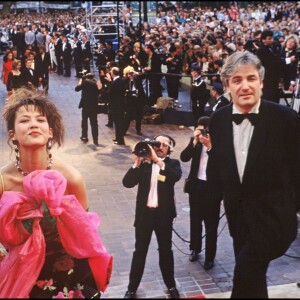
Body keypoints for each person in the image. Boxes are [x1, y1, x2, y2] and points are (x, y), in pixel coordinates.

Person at [0, 88, 113, 298]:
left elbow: (86, 236)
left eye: (40, 119)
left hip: (68, 279)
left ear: (50, 131)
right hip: (19, 279)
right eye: (24, 120)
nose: (33, 124)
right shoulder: (3, 182)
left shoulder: (71, 179)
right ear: (12, 134)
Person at [207, 51, 300, 298]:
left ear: (261, 82)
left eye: (250, 78)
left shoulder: (286, 119)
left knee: (245, 272)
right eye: (237, 80)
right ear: (227, 86)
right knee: (253, 279)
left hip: (275, 220)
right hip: (240, 220)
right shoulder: (218, 120)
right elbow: (219, 168)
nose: (245, 86)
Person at [123, 134, 182, 299]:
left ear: (170, 148)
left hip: (164, 216)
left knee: (165, 251)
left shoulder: (172, 164)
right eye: (158, 143)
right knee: (139, 252)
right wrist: (137, 162)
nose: (160, 147)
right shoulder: (144, 164)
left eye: (165, 144)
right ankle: (131, 289)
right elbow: (127, 183)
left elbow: (174, 177)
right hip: (144, 216)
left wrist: (156, 160)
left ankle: (171, 286)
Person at [180, 116, 221, 269]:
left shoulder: (218, 142)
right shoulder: (196, 142)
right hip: (196, 186)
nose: (203, 132)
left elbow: (222, 162)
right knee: (195, 220)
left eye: (205, 129)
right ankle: (194, 248)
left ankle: (210, 256)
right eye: (200, 128)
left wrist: (210, 146)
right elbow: (184, 158)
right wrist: (194, 142)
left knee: (211, 224)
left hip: (212, 189)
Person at [75, 72, 102, 146]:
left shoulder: (85, 82)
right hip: (94, 106)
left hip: (85, 106)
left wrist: (80, 81)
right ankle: (95, 139)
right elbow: (100, 92)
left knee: (84, 122)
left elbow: (76, 89)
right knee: (94, 123)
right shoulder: (96, 83)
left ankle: (84, 136)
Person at [256, 30, 282, 103]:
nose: (272, 40)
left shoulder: (271, 48)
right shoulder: (261, 50)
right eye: (269, 39)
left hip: (273, 79)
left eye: (272, 38)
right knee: (269, 99)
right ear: (263, 40)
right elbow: (270, 63)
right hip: (268, 80)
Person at [123, 66, 147, 136]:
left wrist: (135, 73)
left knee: (139, 116)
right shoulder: (125, 80)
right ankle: (124, 130)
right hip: (130, 101)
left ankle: (138, 130)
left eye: (131, 74)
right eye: (129, 74)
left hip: (138, 100)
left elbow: (144, 75)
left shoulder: (137, 78)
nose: (130, 75)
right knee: (128, 117)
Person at [107, 66, 126, 145]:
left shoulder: (115, 82)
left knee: (118, 123)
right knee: (118, 123)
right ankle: (118, 138)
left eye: (111, 72)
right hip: (120, 105)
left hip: (116, 106)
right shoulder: (120, 81)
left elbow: (110, 93)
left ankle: (120, 140)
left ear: (113, 73)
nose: (110, 73)